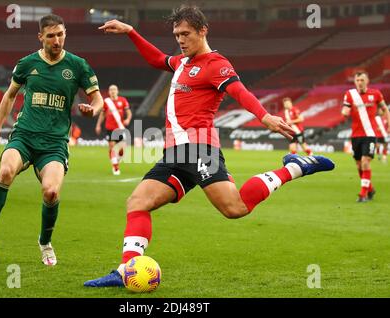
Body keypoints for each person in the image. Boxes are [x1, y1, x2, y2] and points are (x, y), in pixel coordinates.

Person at [84, 5, 334, 287]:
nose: (180, 39)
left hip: (201, 150)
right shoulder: (182, 63)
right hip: (175, 154)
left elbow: (239, 91)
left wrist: (264, 117)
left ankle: (294, 168)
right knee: (138, 202)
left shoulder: (216, 64)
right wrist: (131, 32)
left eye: (186, 34)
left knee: (235, 208)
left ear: (203, 31)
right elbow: (157, 59)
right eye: (177, 34)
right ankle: (125, 270)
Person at [0, 14, 104, 266]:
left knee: (51, 192)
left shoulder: (78, 65)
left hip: (54, 144)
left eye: (60, 34)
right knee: (5, 171)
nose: (57, 40)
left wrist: (93, 109)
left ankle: (45, 242)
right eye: (51, 36)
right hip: (24, 136)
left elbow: (98, 99)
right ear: (40, 37)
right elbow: (9, 96)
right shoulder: (27, 64)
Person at [341, 71, 389, 202]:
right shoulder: (350, 94)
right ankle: (370, 189)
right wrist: (344, 112)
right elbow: (345, 109)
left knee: (365, 162)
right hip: (356, 135)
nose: (359, 82)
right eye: (357, 80)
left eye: (362, 80)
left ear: (367, 81)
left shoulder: (376, 94)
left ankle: (363, 194)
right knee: (359, 165)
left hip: (370, 134)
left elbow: (385, 108)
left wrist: (388, 123)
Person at [95, 84, 132, 175]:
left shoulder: (123, 100)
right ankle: (115, 167)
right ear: (109, 92)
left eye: (114, 89)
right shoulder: (106, 102)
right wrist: (98, 125)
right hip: (110, 128)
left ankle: (115, 160)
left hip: (120, 128)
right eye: (111, 90)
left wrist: (127, 119)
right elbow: (102, 114)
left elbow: (129, 113)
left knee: (122, 150)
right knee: (112, 147)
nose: (112, 91)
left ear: (117, 91)